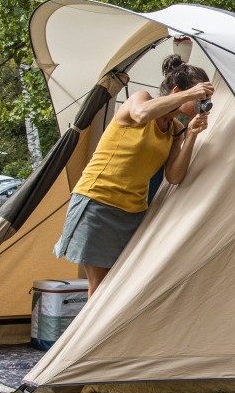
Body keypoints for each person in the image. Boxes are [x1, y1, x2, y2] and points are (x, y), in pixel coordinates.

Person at [54, 56, 214, 297]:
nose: (203, 103)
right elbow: (141, 115)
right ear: (178, 91)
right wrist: (189, 95)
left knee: (124, 286)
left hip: (133, 212)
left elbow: (174, 176)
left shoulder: (175, 129)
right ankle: (95, 336)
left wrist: (191, 134)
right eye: (200, 98)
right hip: (99, 202)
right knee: (100, 288)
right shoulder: (140, 100)